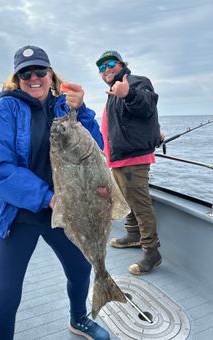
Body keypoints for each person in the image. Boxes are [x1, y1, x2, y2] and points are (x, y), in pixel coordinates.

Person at [0, 45, 110, 340]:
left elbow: (97, 147)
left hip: (66, 209)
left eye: (41, 70)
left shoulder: (66, 106)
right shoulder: (3, 111)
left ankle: (79, 319)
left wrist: (82, 110)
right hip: (17, 213)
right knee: (3, 297)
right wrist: (47, 197)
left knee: (80, 270)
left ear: (51, 75)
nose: (34, 77)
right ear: (17, 78)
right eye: (26, 73)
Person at [95, 50, 162, 275]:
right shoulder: (113, 90)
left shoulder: (135, 83)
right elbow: (138, 121)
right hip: (118, 158)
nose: (106, 69)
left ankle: (152, 253)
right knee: (127, 199)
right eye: (101, 67)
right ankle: (133, 235)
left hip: (133, 158)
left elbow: (146, 106)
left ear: (122, 64)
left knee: (141, 205)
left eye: (110, 64)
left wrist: (128, 94)